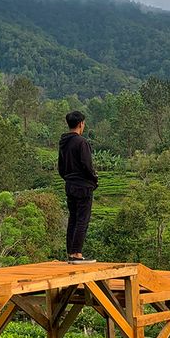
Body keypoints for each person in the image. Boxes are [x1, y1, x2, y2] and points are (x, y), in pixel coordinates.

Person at [58, 111, 98, 264]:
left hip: (70, 185)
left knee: (73, 219)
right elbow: (87, 165)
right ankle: (77, 254)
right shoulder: (82, 142)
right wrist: (94, 179)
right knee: (82, 219)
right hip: (83, 186)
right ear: (81, 123)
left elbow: (61, 167)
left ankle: (71, 253)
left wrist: (69, 178)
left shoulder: (64, 143)